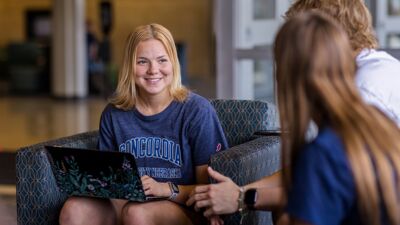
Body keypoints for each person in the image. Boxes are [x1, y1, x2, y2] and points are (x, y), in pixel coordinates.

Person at [187, 10, 400, 225]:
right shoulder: (379, 124)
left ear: (289, 78)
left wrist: (242, 197)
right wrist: (243, 195)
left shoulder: (323, 152)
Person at [59, 23, 228, 225]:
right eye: (142, 61)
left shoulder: (197, 111)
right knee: (74, 209)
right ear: (130, 65)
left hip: (184, 208)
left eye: (162, 60)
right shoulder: (113, 115)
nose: (153, 70)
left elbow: (211, 191)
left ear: (173, 63)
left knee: (137, 213)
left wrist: (165, 189)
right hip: (127, 204)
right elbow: (109, 186)